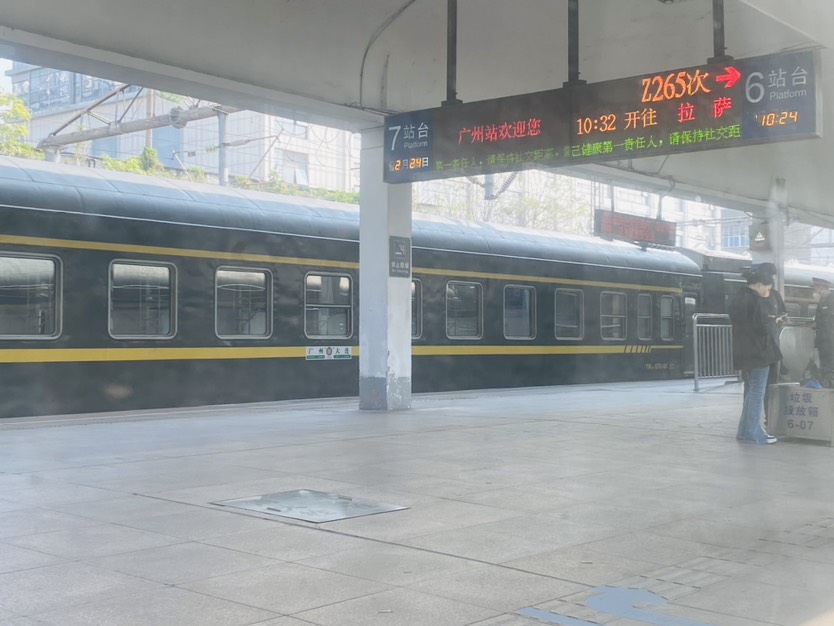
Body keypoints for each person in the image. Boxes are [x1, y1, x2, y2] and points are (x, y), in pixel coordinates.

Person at [728, 267, 782, 444]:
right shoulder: (757, 301)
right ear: (758, 285)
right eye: (767, 287)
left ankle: (744, 431)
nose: (768, 291)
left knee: (752, 391)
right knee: (758, 392)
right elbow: (763, 327)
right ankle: (754, 433)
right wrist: (774, 320)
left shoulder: (738, 298)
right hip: (759, 352)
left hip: (743, 352)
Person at [754, 263, 788, 420]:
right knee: (757, 387)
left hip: (772, 348)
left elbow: (783, 315)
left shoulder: (775, 295)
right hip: (759, 349)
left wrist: (780, 320)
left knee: (768, 385)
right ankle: (756, 422)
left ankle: (769, 418)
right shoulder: (753, 297)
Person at [812, 277, 834, 388]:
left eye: (816, 288)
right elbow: (820, 320)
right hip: (823, 343)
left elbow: (828, 321)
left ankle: (830, 389)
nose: (815, 290)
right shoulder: (821, 301)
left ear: (823, 288)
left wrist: (818, 324)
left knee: (830, 368)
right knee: (824, 367)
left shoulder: (832, 299)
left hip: (831, 342)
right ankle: (827, 387)